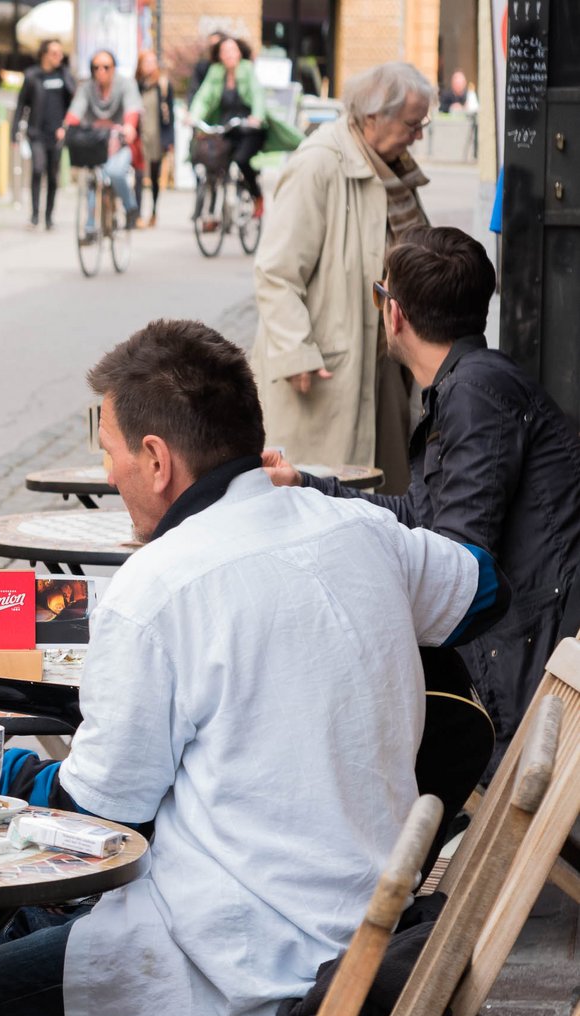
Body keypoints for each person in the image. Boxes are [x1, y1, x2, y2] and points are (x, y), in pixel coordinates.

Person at [0, 319, 505, 1016]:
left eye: (110, 454)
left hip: (235, 963)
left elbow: (91, 821)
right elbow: (482, 587)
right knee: (9, 926)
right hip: (363, 930)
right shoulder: (360, 529)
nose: (109, 477)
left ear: (157, 459)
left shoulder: (160, 585)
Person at [264, 226, 580, 777]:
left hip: (527, 672)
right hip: (522, 650)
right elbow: (423, 518)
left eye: (378, 293)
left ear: (395, 314)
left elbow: (459, 563)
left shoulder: (476, 393)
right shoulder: (472, 384)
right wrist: (305, 487)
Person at [252, 61, 437, 497]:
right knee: (318, 500)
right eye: (413, 123)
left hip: (381, 367)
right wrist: (296, 350)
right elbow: (275, 272)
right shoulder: (319, 165)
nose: (419, 135)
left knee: (379, 496)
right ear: (373, 116)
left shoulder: (389, 166)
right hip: (323, 372)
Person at [190, 36, 303, 221]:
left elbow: (257, 94)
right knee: (214, 160)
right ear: (219, 55)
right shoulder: (216, 71)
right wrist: (193, 116)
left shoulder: (247, 69)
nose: (229, 55)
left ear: (239, 53)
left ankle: (257, 196)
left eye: (232, 51)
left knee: (242, 160)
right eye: (225, 52)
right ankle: (214, 213)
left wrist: (257, 117)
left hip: (249, 129)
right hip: (228, 127)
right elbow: (204, 96)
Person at [60, 50, 140, 234]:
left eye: (106, 67)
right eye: (96, 67)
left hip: (119, 142)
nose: (101, 71)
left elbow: (132, 109)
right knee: (92, 179)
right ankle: (90, 226)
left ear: (114, 68)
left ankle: (130, 208)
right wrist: (65, 128)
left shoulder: (126, 84)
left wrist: (129, 126)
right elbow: (75, 111)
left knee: (115, 172)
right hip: (96, 143)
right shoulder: (86, 88)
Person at [11, 39, 76, 230]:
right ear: (45, 55)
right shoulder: (32, 76)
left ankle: (48, 217)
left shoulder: (64, 75)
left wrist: (66, 127)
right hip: (36, 132)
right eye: (55, 53)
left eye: (60, 53)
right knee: (38, 169)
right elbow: (21, 105)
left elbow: (74, 102)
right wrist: (15, 132)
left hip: (57, 134)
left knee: (53, 175)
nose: (59, 57)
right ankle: (34, 215)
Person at [134, 50, 173, 227]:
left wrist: (169, 141)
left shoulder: (163, 86)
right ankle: (137, 214)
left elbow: (169, 116)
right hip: (139, 137)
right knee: (138, 175)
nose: (149, 66)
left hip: (156, 136)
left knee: (155, 177)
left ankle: (154, 212)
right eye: (146, 62)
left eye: (152, 62)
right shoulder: (136, 86)